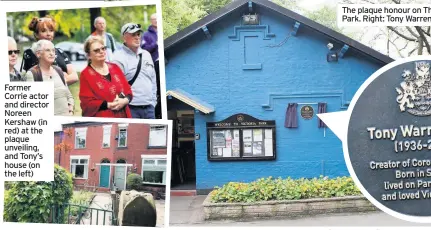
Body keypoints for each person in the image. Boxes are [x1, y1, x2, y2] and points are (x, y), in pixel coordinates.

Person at [79, 36, 133, 118]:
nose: (101, 52)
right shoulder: (85, 74)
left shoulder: (115, 67)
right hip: (103, 120)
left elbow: (128, 90)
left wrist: (125, 101)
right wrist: (108, 105)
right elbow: (86, 103)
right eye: (96, 50)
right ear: (89, 55)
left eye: (103, 48)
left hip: (123, 117)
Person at [113, 23, 157, 119]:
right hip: (130, 109)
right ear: (124, 38)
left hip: (149, 108)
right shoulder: (118, 58)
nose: (137, 37)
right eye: (133, 35)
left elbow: (153, 80)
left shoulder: (146, 55)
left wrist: (153, 102)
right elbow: (114, 86)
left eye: (138, 34)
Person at [21, 16, 78, 85]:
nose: (48, 34)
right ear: (36, 34)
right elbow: (38, 80)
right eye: (43, 31)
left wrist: (59, 80)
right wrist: (63, 77)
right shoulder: (30, 53)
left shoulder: (60, 52)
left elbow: (75, 77)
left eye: (51, 30)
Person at [25, 40, 74, 116]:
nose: (52, 53)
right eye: (48, 50)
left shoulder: (58, 70)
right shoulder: (32, 74)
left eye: (53, 50)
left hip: (65, 122)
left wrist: (70, 110)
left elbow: (69, 96)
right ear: (38, 54)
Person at [141, 13, 161, 119]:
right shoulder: (146, 35)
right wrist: (156, 44)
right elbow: (145, 49)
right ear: (151, 20)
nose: (156, 21)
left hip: (163, 62)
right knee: (156, 88)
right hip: (154, 63)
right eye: (154, 19)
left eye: (157, 19)